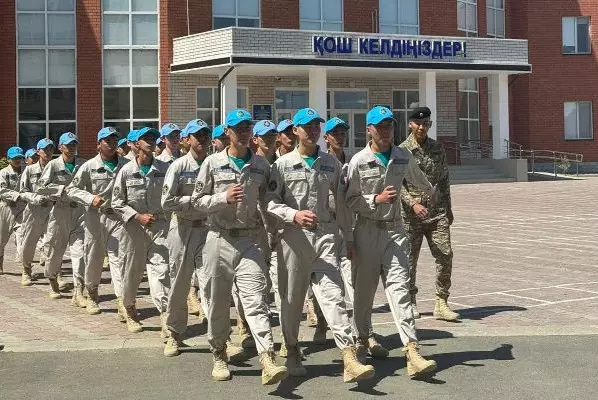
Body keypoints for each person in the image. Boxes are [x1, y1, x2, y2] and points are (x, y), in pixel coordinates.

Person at [266, 107, 374, 383]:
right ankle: (291, 349)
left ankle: (348, 356)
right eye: (308, 126)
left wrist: (348, 238)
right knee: (291, 301)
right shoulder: (281, 165)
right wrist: (294, 215)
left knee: (333, 296)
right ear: (296, 131)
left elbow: (341, 202)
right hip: (294, 239)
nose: (313, 130)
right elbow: (269, 203)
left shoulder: (331, 164)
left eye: (317, 126)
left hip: (325, 237)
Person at [191, 109, 287, 385]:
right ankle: (219, 353)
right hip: (218, 239)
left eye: (248, 128)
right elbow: (197, 202)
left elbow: (268, 203)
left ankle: (267, 357)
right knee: (218, 303)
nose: (244, 132)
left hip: (250, 240)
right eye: (239, 128)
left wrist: (276, 233)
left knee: (256, 300)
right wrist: (222, 197)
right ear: (228, 132)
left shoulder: (261, 165)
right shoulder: (212, 163)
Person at [344, 106, 438, 377]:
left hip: (395, 231)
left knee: (400, 290)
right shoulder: (359, 161)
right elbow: (350, 200)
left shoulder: (401, 155)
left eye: (389, 126)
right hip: (367, 231)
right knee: (363, 295)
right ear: (369, 130)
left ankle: (411, 350)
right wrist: (376, 199)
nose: (385, 131)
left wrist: (428, 196)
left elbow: (420, 181)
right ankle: (361, 342)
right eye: (380, 126)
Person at [399, 106, 459, 321]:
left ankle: (441, 301)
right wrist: (413, 203)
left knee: (445, 254)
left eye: (426, 124)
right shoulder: (401, 150)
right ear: (410, 124)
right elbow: (397, 184)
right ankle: (410, 300)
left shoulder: (437, 148)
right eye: (418, 123)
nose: (422, 127)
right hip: (411, 216)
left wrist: (449, 208)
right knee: (408, 260)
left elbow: (444, 179)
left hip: (437, 212)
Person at [111, 127, 170, 336]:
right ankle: (128, 307)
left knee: (161, 272)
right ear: (136, 144)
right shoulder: (126, 171)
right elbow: (116, 202)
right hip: (133, 228)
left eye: (154, 138)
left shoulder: (165, 168)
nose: (151, 142)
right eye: (146, 139)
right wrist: (137, 216)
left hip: (159, 227)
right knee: (132, 273)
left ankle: (165, 318)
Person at [66, 127, 129, 316]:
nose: (111, 143)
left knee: (119, 260)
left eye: (114, 140)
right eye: (107, 140)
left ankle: (122, 302)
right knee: (93, 259)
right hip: (95, 218)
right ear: (98, 145)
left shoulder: (126, 164)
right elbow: (71, 190)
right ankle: (92, 294)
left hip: (118, 219)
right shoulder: (89, 166)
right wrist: (89, 198)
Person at [161, 119, 211, 356]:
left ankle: (217, 334)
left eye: (205, 134)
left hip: (209, 229)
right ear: (186, 140)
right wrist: (194, 201)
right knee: (180, 283)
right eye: (196, 135)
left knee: (211, 282)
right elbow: (167, 201)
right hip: (182, 228)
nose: (201, 139)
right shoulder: (179, 166)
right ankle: (173, 333)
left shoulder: (215, 164)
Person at [37, 132, 86, 301]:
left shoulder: (82, 164)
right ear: (61, 147)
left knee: (80, 252)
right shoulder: (53, 165)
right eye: (68, 145)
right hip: (60, 211)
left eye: (74, 144)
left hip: (80, 212)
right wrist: (61, 191)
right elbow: (41, 187)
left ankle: (79, 291)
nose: (72, 147)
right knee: (54, 250)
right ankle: (53, 283)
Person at [19, 139, 54, 286]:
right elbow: (23, 192)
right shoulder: (30, 170)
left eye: (50, 149)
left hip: (53, 210)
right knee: (29, 242)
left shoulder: (57, 167)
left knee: (52, 242)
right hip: (34, 210)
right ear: (38, 151)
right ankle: (26, 270)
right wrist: (37, 198)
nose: (47, 152)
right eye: (44, 149)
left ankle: (54, 274)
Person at [0, 147, 26, 275]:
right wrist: (17, 195)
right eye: (15, 158)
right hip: (6, 208)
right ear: (9, 159)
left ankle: (25, 268)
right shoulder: (3, 173)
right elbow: (2, 191)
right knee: (1, 239)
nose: (17, 160)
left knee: (22, 235)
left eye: (20, 157)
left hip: (22, 208)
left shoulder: (26, 171)